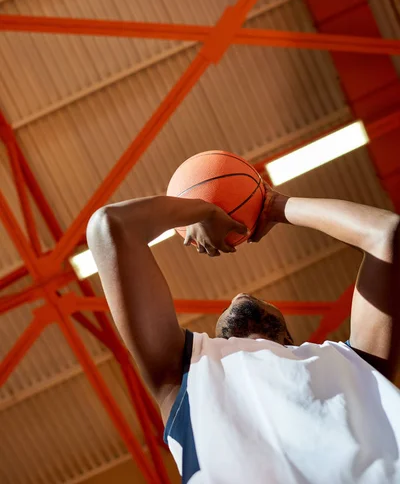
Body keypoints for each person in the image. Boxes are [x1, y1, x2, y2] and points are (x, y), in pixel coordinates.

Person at [87, 180, 400, 483]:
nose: (240, 295)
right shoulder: (182, 373)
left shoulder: (355, 362)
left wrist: (275, 205)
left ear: (291, 340)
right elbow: (111, 225)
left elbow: (386, 233)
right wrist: (199, 210)